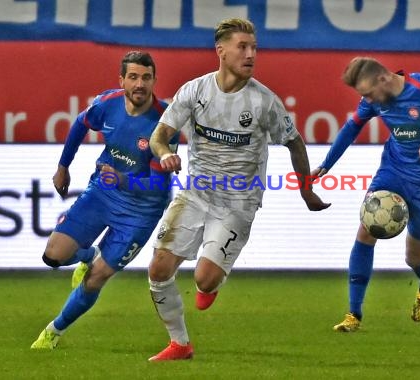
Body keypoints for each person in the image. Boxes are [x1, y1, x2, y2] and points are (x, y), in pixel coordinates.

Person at [146, 17, 330, 361]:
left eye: (254, 48)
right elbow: (159, 135)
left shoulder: (264, 102)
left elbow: (295, 143)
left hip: (238, 204)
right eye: (242, 47)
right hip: (195, 194)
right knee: (157, 270)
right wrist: (165, 153)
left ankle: (211, 283)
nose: (250, 55)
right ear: (221, 51)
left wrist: (306, 191)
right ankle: (180, 344)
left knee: (204, 278)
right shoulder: (195, 90)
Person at [312, 57, 420, 332]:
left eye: (368, 93)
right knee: (366, 230)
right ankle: (353, 314)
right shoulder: (374, 99)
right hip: (394, 172)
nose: (367, 100)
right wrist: (326, 164)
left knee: (414, 257)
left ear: (383, 78)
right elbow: (353, 126)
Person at [30, 51, 178, 349]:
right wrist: (63, 166)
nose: (139, 84)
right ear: (121, 80)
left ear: (154, 81)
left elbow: (156, 186)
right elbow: (80, 124)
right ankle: (87, 255)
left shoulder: (164, 124)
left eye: (146, 78)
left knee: (97, 278)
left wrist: (120, 178)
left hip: (141, 210)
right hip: (103, 192)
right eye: (133, 77)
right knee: (53, 255)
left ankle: (53, 332)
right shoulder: (107, 104)